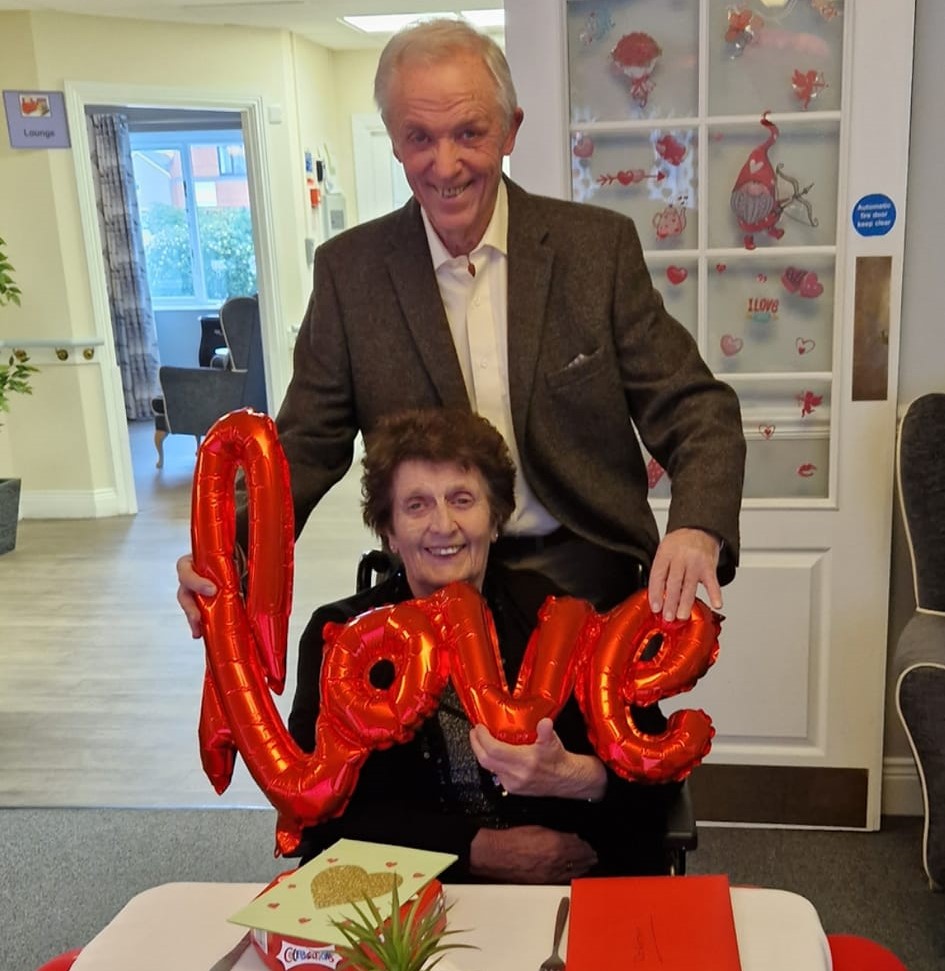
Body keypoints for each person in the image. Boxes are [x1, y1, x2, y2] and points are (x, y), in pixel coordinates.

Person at [177, 18, 744, 634]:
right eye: (419, 137)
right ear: (394, 142)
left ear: (509, 131)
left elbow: (697, 410)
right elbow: (304, 449)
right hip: (431, 588)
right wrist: (229, 554)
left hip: (585, 584)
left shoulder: (595, 250)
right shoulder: (350, 272)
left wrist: (696, 527)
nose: (444, 165)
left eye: (468, 133)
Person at [289, 407, 680, 884]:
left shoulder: (559, 615)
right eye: (416, 505)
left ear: (494, 520)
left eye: (462, 499)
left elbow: (660, 776)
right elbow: (318, 816)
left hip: (561, 887)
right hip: (409, 892)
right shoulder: (338, 635)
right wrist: (475, 849)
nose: (443, 524)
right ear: (388, 532)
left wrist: (573, 776)